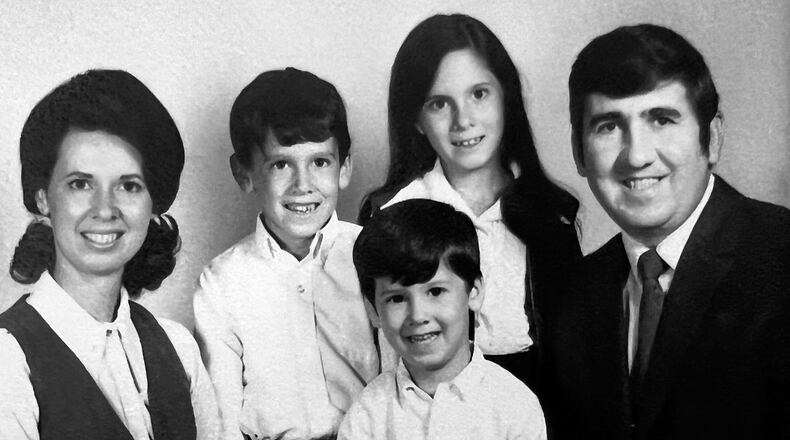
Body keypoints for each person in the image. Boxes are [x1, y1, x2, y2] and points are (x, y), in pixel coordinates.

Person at [545, 24, 790, 439]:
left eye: (661, 119)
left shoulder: (781, 256)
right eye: (608, 126)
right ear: (579, 153)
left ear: (711, 138)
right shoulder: (574, 298)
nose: (637, 156)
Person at [359, 13, 580, 386]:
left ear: (505, 98)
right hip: (427, 401)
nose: (463, 120)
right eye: (439, 104)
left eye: (479, 94)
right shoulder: (392, 211)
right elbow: (386, 355)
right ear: (416, 119)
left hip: (535, 402)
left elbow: (572, 357)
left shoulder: (551, 213)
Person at [0, 69, 219, 439]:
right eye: (80, 184)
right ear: (43, 198)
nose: (104, 209)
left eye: (129, 186)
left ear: (152, 204)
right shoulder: (8, 359)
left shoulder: (178, 347)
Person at [193, 67, 379, 440]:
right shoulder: (222, 284)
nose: (302, 185)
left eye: (320, 162)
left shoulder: (373, 255)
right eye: (281, 164)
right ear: (244, 173)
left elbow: (405, 384)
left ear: (344, 167)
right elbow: (221, 421)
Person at [340, 199, 546, 439]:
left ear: (474, 292)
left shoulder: (515, 406)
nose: (418, 315)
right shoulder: (367, 416)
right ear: (373, 311)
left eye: (436, 291)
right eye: (397, 298)